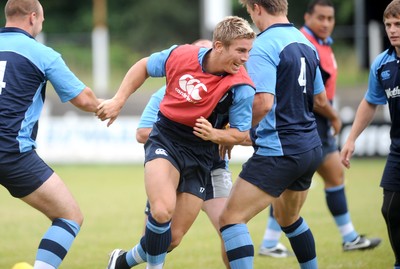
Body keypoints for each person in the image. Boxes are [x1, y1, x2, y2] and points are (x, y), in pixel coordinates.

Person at [97, 16, 256, 269]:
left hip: (202, 157)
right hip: (166, 140)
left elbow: (241, 133)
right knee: (161, 211)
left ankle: (122, 261)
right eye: (240, 50)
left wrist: (216, 135)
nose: (246, 58)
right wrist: (118, 100)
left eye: (248, 51)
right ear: (218, 46)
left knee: (171, 239)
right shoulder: (181, 56)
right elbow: (144, 66)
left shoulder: (241, 87)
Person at [218, 1, 342, 268]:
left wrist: (234, 130)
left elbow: (263, 103)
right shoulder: (305, 42)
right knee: (289, 219)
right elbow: (320, 98)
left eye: (250, 12)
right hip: (310, 147)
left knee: (230, 220)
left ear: (256, 7)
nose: (252, 18)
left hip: (280, 150)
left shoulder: (263, 45)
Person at [258, 0, 381, 258]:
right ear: (307, 17)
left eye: (330, 19)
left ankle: (274, 242)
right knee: (313, 180)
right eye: (321, 18)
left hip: (309, 124)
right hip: (309, 122)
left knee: (324, 178)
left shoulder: (323, 44)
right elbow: (317, 97)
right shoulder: (304, 42)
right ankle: (346, 238)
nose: (326, 23)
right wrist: (335, 117)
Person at [0, 0, 101, 268]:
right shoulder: (42, 54)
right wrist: (110, 106)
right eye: (42, 21)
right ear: (33, 18)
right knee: (69, 216)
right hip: (11, 154)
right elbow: (85, 99)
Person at [136, 39, 231, 268]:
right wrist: (185, 136)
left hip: (213, 167)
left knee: (231, 230)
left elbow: (245, 132)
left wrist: (222, 135)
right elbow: (142, 133)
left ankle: (123, 260)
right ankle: (126, 260)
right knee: (167, 235)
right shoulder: (168, 91)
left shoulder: (231, 91)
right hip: (172, 159)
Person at [341, 1, 400, 268]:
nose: (392, 30)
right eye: (388, 24)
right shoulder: (382, 63)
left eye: (398, 24)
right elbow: (370, 102)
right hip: (397, 147)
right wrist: (352, 138)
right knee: (390, 209)